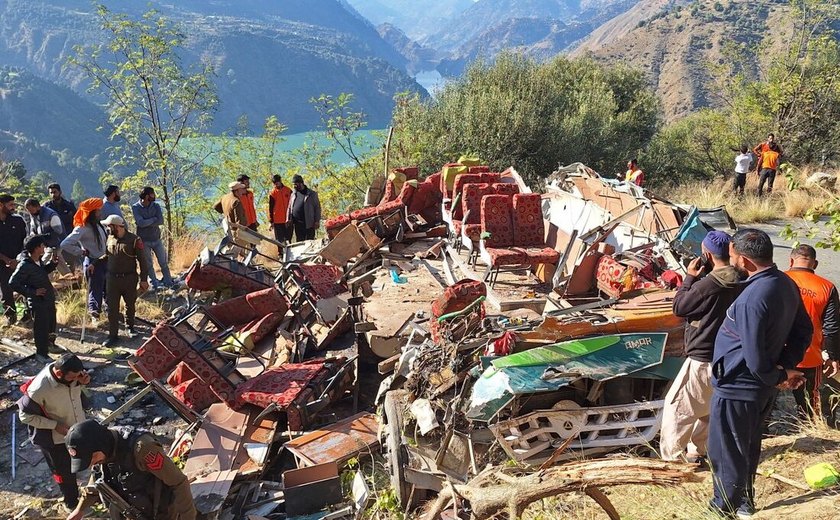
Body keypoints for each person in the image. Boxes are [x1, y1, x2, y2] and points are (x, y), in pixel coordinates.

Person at [707, 228, 813, 518]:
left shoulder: (755, 296)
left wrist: (780, 375)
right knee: (748, 445)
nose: (731, 262)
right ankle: (743, 502)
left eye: (732, 257)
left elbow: (754, 356)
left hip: (740, 386)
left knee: (725, 448)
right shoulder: (784, 283)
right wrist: (786, 366)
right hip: (757, 386)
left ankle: (724, 505)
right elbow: (804, 330)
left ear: (745, 261)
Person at [661, 231, 741, 463]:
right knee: (708, 407)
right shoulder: (740, 278)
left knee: (677, 408)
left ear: (706, 254)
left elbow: (680, 307)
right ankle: (698, 451)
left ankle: (673, 460)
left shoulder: (709, 283)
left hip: (702, 356)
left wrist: (689, 278)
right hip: (726, 355)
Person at [65, 419, 196, 520]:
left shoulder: (142, 448)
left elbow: (179, 483)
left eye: (92, 458)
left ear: (102, 444)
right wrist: (79, 511)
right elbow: (97, 484)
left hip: (160, 513)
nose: (91, 464)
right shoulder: (103, 454)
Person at [17, 353, 90, 512]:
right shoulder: (39, 389)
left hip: (76, 429)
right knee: (64, 473)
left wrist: (83, 382)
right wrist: (54, 425)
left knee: (79, 462)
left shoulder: (73, 375)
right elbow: (24, 416)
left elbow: (75, 389)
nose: (78, 378)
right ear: (59, 374)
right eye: (74, 377)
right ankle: (71, 503)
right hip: (55, 439)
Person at [785, 244, 840, 425]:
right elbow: (831, 328)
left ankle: (761, 438)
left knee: (764, 402)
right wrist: (832, 357)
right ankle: (811, 434)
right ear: (815, 264)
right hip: (809, 355)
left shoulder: (778, 280)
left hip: (774, 353)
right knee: (809, 404)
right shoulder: (827, 287)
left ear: (791, 260)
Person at [9, 235, 60, 361]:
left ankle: (50, 345)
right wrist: (32, 292)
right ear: (36, 248)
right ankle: (41, 354)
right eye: (42, 245)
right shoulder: (24, 265)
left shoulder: (38, 260)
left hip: (47, 299)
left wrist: (53, 265)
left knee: (50, 324)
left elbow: (41, 272)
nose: (44, 247)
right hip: (38, 302)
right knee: (41, 328)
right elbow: (13, 282)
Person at [101, 215, 149, 347]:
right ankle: (113, 335)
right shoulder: (109, 238)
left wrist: (144, 279)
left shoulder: (134, 240)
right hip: (111, 279)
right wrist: (95, 263)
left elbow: (143, 261)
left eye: (109, 226)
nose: (107, 228)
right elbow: (107, 255)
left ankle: (130, 328)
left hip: (129, 278)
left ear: (116, 226)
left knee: (130, 304)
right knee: (112, 308)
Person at [61, 198, 109, 320]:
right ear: (93, 212)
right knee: (95, 289)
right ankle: (94, 315)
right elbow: (65, 244)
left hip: (105, 260)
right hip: (93, 262)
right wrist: (81, 252)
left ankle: (109, 312)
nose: (100, 211)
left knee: (107, 288)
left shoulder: (99, 224)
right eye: (98, 210)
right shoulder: (82, 228)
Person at [132, 187, 174, 290]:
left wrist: (147, 221)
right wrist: (153, 219)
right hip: (144, 240)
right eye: (152, 194)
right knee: (148, 264)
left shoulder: (156, 206)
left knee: (163, 262)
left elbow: (160, 221)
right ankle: (155, 284)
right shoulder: (136, 207)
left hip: (156, 239)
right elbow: (140, 223)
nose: (154, 196)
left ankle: (168, 282)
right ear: (146, 196)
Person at [0, 194, 27, 325]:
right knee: (6, 290)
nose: (13, 207)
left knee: (28, 287)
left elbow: (26, 242)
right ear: (1, 205)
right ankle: (11, 315)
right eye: (10, 205)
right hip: (2, 263)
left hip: (20, 260)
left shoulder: (18, 221)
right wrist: (6, 260)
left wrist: (17, 259)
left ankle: (29, 314)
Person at [44, 184, 78, 272]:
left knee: (70, 263)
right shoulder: (46, 207)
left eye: (55, 192)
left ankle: (72, 283)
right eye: (51, 193)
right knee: (53, 263)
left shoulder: (69, 205)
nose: (53, 195)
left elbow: (76, 220)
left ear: (60, 192)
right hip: (54, 241)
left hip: (68, 238)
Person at [287, 174, 321, 242]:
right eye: (293, 184)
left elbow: (317, 208)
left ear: (301, 183)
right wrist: (288, 219)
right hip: (297, 224)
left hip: (309, 223)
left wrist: (317, 221)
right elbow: (289, 207)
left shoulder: (312, 194)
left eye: (296, 184)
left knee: (310, 243)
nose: (294, 186)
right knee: (299, 243)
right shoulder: (293, 194)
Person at [268, 174, 292, 252]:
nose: (276, 184)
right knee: (279, 240)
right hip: (278, 220)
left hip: (288, 219)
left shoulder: (288, 190)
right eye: (274, 183)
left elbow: (293, 203)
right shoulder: (272, 193)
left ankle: (289, 254)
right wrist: (271, 221)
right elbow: (270, 208)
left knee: (288, 238)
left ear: (280, 181)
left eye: (277, 182)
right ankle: (280, 254)